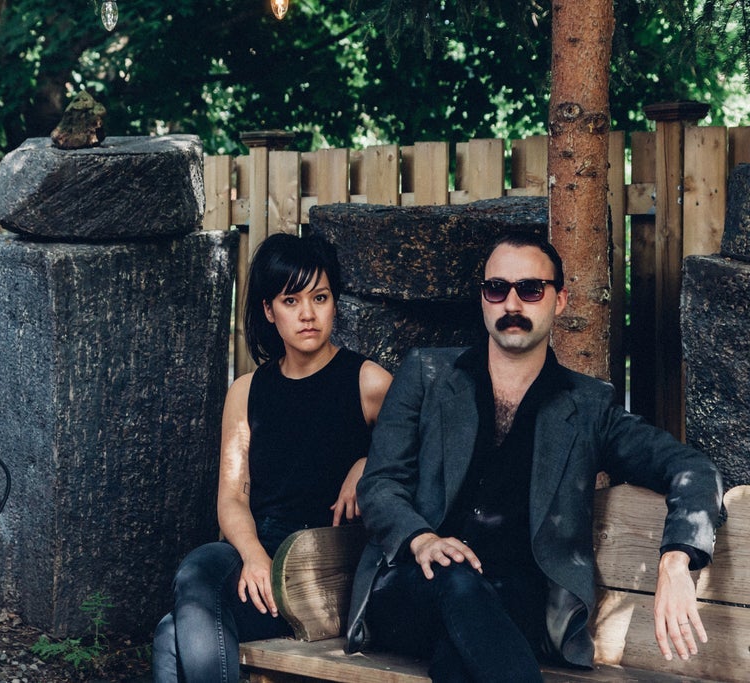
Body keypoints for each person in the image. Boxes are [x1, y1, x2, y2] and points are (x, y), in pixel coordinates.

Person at [345, 231, 724, 682]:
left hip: (514, 605)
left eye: (529, 289)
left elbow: (691, 468)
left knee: (459, 662)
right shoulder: (426, 374)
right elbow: (380, 483)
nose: (511, 303)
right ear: (483, 298)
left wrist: (676, 559)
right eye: (496, 288)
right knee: (456, 579)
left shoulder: (588, 406)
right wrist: (423, 539)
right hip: (413, 589)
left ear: (559, 300)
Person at [152, 232, 392, 683]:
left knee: (173, 629)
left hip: (321, 574)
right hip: (257, 560)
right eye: (290, 300)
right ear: (268, 310)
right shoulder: (246, 391)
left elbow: (421, 450)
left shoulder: (368, 382)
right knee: (194, 582)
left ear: (334, 303)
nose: (307, 314)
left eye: (320, 297)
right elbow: (232, 499)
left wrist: (369, 464)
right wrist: (254, 556)